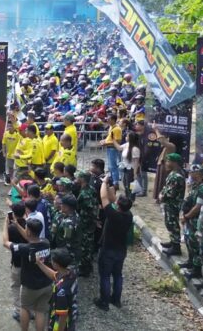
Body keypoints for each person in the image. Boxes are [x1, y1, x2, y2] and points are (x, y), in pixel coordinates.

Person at [2, 217, 52, 331]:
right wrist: (17, 224)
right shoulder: (46, 243)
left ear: (28, 231)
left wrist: (5, 225)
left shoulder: (25, 248)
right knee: (41, 311)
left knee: (25, 308)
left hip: (30, 287)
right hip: (46, 284)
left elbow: (5, 242)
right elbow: (30, 237)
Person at [94, 180, 133, 311]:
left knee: (105, 276)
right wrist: (111, 187)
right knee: (117, 275)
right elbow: (111, 198)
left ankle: (103, 302)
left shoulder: (113, 214)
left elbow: (104, 197)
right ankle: (116, 300)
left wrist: (104, 183)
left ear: (117, 205)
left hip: (108, 250)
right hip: (121, 251)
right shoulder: (129, 215)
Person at [36, 248, 78, 331]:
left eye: (52, 260)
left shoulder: (61, 291)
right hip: (72, 315)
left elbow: (63, 316)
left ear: (56, 264)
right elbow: (55, 276)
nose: (50, 261)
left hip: (61, 323)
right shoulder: (71, 272)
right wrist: (40, 264)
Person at [181, 164, 203, 280]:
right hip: (189, 219)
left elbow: (198, 206)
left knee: (195, 244)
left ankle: (196, 270)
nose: (189, 174)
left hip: (195, 220)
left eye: (192, 172)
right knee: (188, 240)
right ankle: (190, 262)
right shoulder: (194, 185)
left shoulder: (202, 188)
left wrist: (186, 216)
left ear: (198, 174)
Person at [158, 153, 186, 256]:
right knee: (169, 223)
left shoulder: (176, 176)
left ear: (174, 163)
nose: (166, 163)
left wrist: (162, 196)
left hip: (172, 204)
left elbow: (170, 192)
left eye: (168, 161)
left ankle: (176, 247)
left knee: (172, 224)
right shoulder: (173, 173)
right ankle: (173, 242)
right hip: (170, 204)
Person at [6, 201, 28, 320]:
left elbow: (5, 241)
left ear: (13, 214)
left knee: (16, 286)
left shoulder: (11, 228)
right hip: (29, 261)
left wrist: (6, 225)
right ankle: (30, 310)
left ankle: (19, 311)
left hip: (17, 261)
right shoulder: (30, 225)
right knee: (27, 286)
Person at [75, 171, 98, 277]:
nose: (77, 178)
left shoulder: (84, 194)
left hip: (85, 222)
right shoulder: (91, 189)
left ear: (83, 179)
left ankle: (85, 269)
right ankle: (88, 266)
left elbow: (78, 207)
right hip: (91, 222)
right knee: (88, 244)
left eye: (78, 177)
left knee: (85, 246)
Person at [113, 131, 141, 200]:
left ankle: (131, 198)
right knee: (125, 183)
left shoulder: (135, 149)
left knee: (130, 185)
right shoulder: (127, 144)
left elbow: (136, 162)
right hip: (125, 167)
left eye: (127, 136)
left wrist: (135, 173)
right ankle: (127, 196)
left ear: (130, 138)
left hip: (131, 169)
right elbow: (119, 148)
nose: (125, 137)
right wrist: (113, 140)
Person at [99, 114, 122, 184]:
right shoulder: (111, 127)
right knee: (110, 166)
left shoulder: (117, 129)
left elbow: (117, 142)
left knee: (113, 166)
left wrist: (105, 143)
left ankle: (115, 182)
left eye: (109, 119)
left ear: (113, 120)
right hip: (110, 148)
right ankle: (112, 180)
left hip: (113, 149)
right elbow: (110, 138)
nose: (107, 120)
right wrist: (104, 141)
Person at [2, 120, 21, 185]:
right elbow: (3, 144)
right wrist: (4, 152)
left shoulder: (17, 135)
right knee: (9, 169)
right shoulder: (6, 134)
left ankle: (14, 182)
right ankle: (9, 181)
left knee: (15, 169)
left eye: (11, 126)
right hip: (8, 155)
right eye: (8, 126)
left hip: (16, 156)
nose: (9, 127)